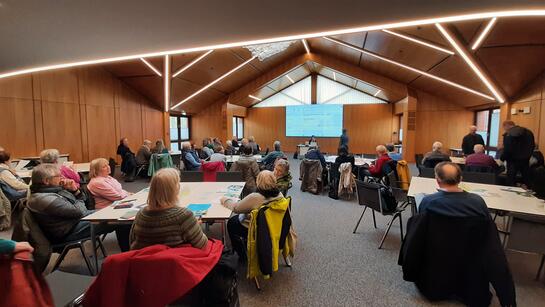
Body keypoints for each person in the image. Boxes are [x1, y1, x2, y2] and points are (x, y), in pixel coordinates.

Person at [27, 164, 130, 251]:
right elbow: (80, 211)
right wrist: (76, 195)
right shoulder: (44, 199)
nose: (62, 178)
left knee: (115, 211)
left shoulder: (51, 191)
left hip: (73, 222)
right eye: (58, 176)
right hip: (68, 232)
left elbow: (81, 202)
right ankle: (128, 255)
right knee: (121, 220)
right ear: (46, 181)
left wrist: (74, 190)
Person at [130, 168, 207, 250]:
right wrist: (195, 227)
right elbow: (202, 245)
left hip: (145, 261)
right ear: (174, 190)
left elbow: (132, 242)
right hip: (176, 261)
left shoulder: (141, 214)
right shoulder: (184, 216)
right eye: (178, 183)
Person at [221, 170, 284, 259]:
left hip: (257, 228)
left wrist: (225, 200)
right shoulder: (280, 195)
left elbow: (236, 208)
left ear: (258, 181)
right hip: (274, 226)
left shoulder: (255, 197)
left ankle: (242, 255)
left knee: (231, 223)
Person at [418, 162, 490, 218]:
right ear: (460, 179)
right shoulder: (478, 202)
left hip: (436, 237)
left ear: (437, 180)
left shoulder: (428, 202)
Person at [500, 120, 535, 186]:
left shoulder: (509, 134)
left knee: (510, 181)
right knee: (526, 180)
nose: (505, 130)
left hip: (512, 161)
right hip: (525, 160)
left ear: (506, 125)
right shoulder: (529, 132)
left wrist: (502, 158)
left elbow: (508, 149)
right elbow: (532, 146)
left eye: (504, 128)